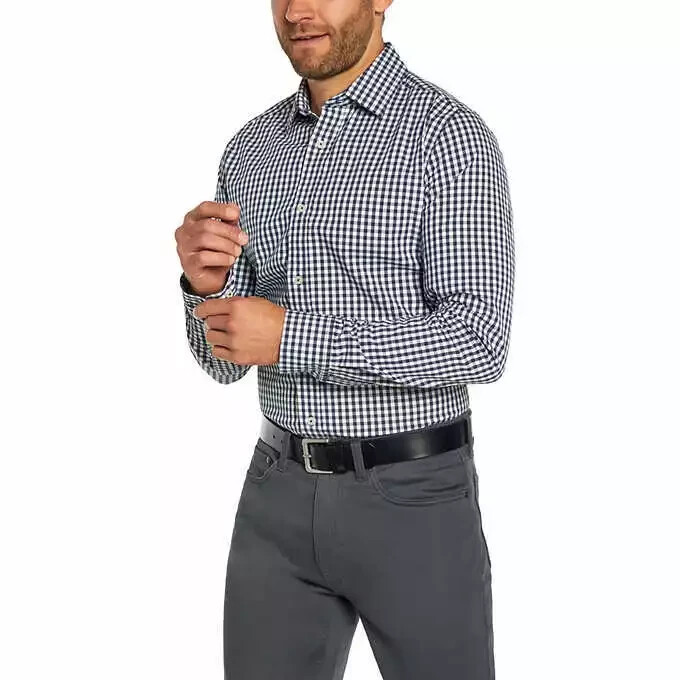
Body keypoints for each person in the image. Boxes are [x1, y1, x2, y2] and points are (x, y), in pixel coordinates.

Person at [175, 1, 514, 677]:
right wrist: (201, 288)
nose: (298, 9)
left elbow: (480, 339)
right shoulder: (251, 148)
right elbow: (223, 365)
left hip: (413, 497)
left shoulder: (447, 137)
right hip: (275, 495)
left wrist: (291, 338)